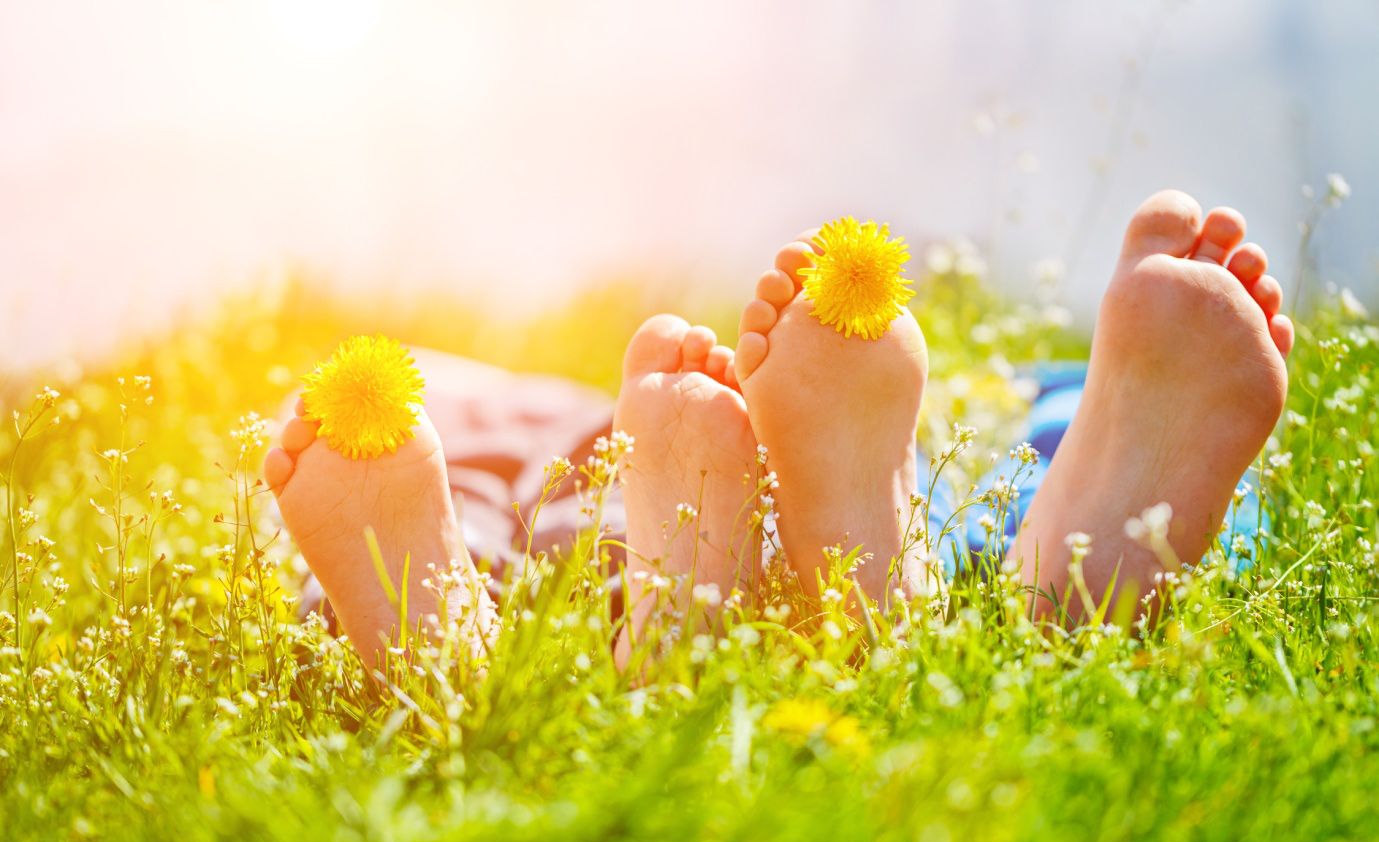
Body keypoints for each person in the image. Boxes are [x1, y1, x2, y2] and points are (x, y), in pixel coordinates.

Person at [263, 190, 1291, 666]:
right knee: (982, 472)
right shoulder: (579, 415)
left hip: (591, 502)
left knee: (546, 534)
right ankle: (998, 573)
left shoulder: (522, 421)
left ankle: (473, 658)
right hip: (624, 481)